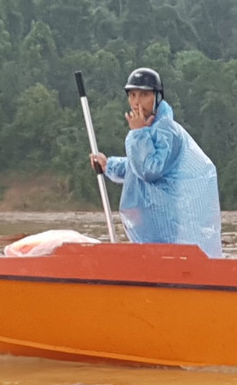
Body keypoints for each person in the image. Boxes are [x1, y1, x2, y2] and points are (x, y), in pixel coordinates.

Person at [90, 67, 223, 257]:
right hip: (150, 223)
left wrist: (137, 133)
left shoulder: (167, 131)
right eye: (133, 95)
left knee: (168, 262)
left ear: (157, 97)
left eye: (144, 95)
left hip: (168, 223)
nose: (137, 102)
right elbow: (134, 166)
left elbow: (148, 170)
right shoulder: (148, 129)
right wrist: (108, 165)